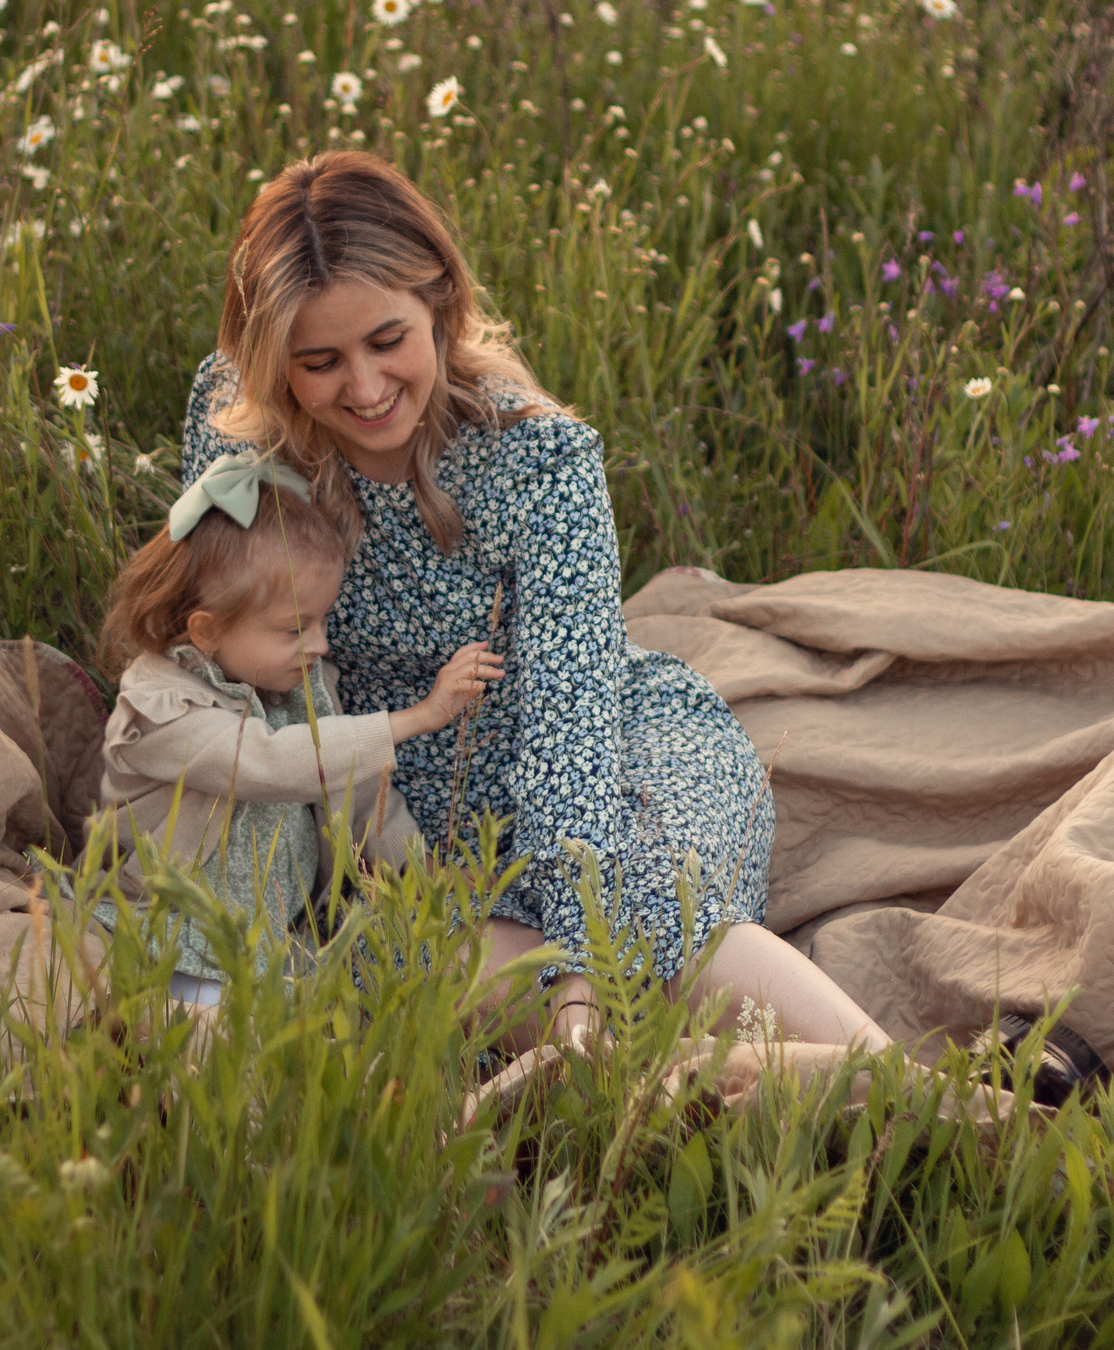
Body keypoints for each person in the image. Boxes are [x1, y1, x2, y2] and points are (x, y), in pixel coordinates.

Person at [181, 151, 894, 1055]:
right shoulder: (235, 424)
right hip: (391, 802)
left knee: (652, 908)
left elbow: (569, 728)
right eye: (319, 362)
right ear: (271, 359)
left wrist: (577, 979)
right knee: (406, 964)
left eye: (387, 341)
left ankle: (929, 1098)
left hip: (595, 749)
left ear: (441, 300)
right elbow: (232, 661)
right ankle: (825, 1086)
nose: (362, 388)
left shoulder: (540, 460)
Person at [95, 446, 504, 1008]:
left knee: (318, 1033)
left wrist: (419, 867)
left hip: (275, 941)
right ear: (208, 631)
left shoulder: (302, 688)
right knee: (211, 1046)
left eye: (323, 620)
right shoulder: (158, 710)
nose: (321, 643)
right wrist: (419, 718)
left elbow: (358, 789)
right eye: (295, 629)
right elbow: (268, 762)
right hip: (174, 934)